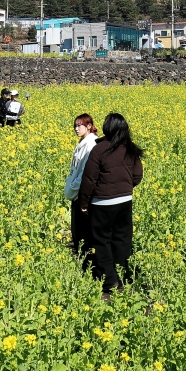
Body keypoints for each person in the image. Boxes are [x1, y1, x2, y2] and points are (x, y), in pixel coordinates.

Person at [78, 113, 144, 297]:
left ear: (107, 129)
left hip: (102, 203)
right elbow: (138, 175)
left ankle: (109, 280)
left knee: (101, 240)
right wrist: (125, 188)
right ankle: (121, 274)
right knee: (122, 239)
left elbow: (89, 180)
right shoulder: (129, 149)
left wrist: (84, 203)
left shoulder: (99, 150)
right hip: (124, 202)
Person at [63, 113, 99, 256]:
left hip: (82, 194)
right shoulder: (83, 143)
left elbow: (87, 173)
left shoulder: (91, 145)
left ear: (89, 126)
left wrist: (73, 187)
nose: (76, 129)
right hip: (77, 192)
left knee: (83, 230)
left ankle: (85, 261)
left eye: (79, 125)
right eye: (75, 126)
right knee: (77, 229)